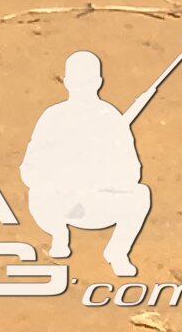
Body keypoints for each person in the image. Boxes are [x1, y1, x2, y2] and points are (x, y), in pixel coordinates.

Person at [20, 51, 157, 278]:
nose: (82, 88)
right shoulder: (54, 117)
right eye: (79, 83)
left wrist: (101, 175)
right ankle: (58, 234)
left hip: (96, 205)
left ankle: (117, 252)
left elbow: (132, 172)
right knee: (39, 191)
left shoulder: (110, 118)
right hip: (60, 204)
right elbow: (29, 169)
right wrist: (61, 176)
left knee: (140, 194)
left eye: (85, 83)